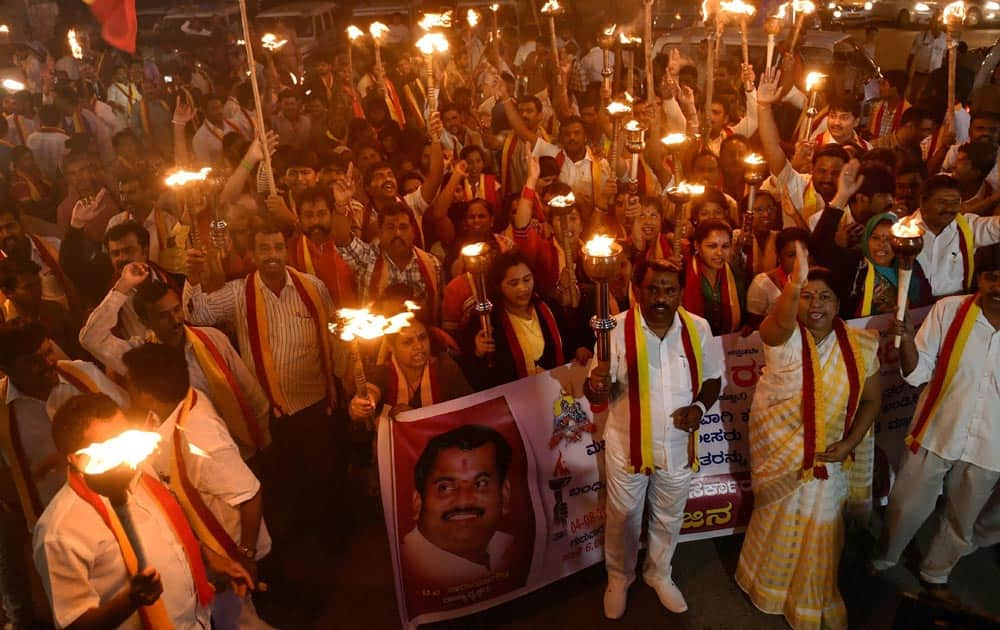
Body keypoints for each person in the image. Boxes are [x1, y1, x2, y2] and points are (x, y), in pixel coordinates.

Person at [735, 249, 882, 630]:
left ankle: (809, 600)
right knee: (776, 521)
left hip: (830, 459)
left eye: (825, 296)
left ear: (838, 304)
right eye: (807, 295)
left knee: (822, 530)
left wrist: (849, 445)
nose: (815, 304)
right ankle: (765, 586)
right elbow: (774, 325)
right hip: (782, 457)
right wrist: (794, 282)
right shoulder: (783, 339)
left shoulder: (862, 345)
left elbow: (871, 400)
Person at [33, 393, 253, 629]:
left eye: (127, 438)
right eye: (113, 447)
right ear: (78, 459)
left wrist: (209, 557)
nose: (129, 453)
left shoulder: (139, 469)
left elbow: (166, 535)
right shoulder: (60, 532)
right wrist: (131, 600)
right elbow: (74, 625)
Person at [183, 220, 339, 539]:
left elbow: (334, 336)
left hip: (315, 406)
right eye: (264, 248)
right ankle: (298, 546)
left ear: (287, 251)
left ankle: (329, 540)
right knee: (284, 488)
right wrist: (193, 279)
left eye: (278, 248)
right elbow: (197, 315)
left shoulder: (313, 287)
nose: (272, 255)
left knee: (323, 481)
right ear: (253, 254)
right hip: (273, 414)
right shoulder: (239, 293)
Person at [585, 258, 722, 619]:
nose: (661, 297)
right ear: (637, 289)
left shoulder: (699, 328)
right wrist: (596, 385)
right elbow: (598, 391)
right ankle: (619, 576)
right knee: (624, 516)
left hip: (678, 446)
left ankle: (659, 573)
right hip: (627, 446)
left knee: (669, 516)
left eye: (669, 289)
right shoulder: (614, 329)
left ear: (680, 291)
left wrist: (699, 409)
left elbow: (713, 378)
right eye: (652, 289)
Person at [873, 244, 1000, 602]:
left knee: (962, 518)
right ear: (980, 279)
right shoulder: (950, 311)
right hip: (938, 428)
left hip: (990, 444)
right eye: (992, 277)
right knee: (906, 505)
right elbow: (916, 374)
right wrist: (909, 340)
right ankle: (887, 556)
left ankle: (936, 572)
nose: (998, 287)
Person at [122, 344, 272, 629]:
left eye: (128, 379)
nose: (123, 383)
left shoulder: (201, 441)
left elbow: (250, 494)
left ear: (147, 395)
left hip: (227, 550)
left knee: (237, 622)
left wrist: (246, 556)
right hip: (204, 548)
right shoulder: (173, 407)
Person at [79, 265, 272, 460]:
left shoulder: (211, 339)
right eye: (163, 316)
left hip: (241, 448)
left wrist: (263, 439)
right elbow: (91, 338)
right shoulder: (141, 358)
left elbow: (251, 392)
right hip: (188, 458)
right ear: (145, 322)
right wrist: (123, 286)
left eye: (177, 309)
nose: (175, 320)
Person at [400, 424, 515, 586]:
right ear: (417, 503)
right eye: (445, 487)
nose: (464, 500)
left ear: (505, 494)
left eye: (481, 483)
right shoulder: (404, 567)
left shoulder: (515, 550)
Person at [459, 251, 584, 390]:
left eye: (527, 279)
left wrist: (578, 350)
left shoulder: (549, 307)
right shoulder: (487, 322)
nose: (523, 288)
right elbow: (477, 377)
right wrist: (478, 352)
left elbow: (569, 341)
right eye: (514, 283)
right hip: (515, 397)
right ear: (498, 286)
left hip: (557, 390)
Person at [348, 315, 472, 422]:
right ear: (392, 347)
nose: (418, 346)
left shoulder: (445, 368)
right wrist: (361, 404)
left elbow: (469, 408)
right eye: (408, 342)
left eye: (422, 337)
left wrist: (415, 416)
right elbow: (371, 391)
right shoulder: (383, 372)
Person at [896, 174, 1000, 297]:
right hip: (913, 309)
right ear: (923, 201)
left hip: (953, 308)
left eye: (955, 203)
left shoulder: (967, 227)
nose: (949, 209)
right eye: (942, 202)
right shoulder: (903, 230)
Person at [682, 219, 745, 336]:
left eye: (725, 246)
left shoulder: (736, 274)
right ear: (697, 245)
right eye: (712, 246)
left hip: (727, 346)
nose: (719, 253)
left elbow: (744, 317)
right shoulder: (683, 274)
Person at [745, 227, 811, 327]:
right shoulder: (762, 283)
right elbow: (754, 326)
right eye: (791, 255)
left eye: (803, 255)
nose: (798, 261)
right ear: (779, 256)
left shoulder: (816, 279)